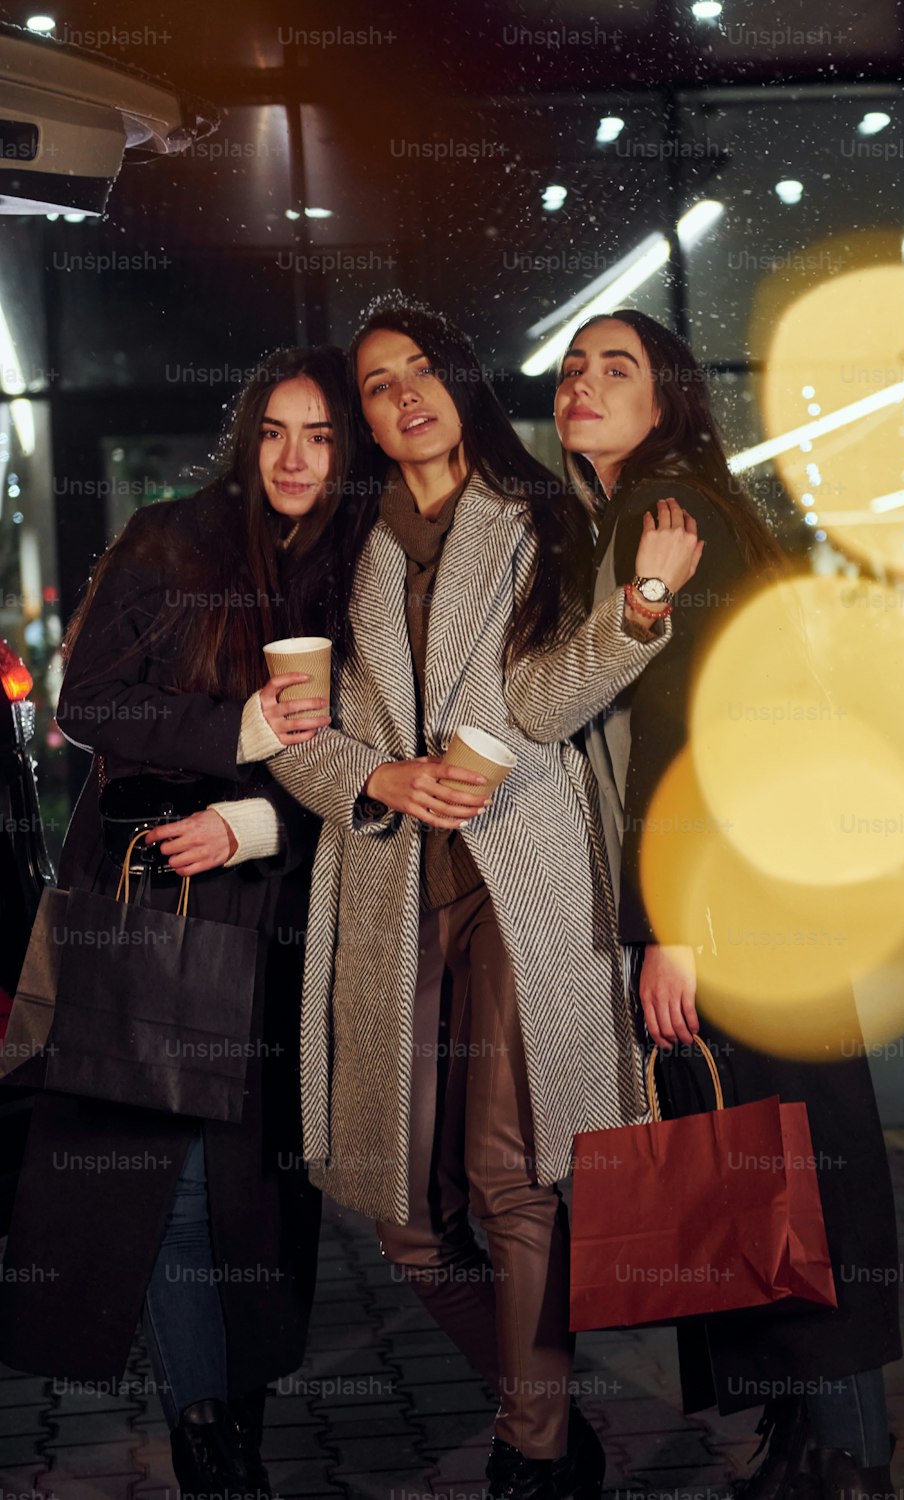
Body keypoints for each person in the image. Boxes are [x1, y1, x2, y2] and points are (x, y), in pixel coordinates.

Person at [243, 294, 703, 1500]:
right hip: (389, 893)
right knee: (400, 1212)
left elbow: (549, 703)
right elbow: (295, 740)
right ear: (369, 419)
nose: (403, 395)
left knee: (511, 1179)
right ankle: (539, 1410)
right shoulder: (335, 550)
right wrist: (380, 773)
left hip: (521, 878)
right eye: (379, 384)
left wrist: (639, 611)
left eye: (420, 370)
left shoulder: (538, 518)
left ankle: (536, 1453)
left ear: (457, 384)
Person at [555, 308, 902, 1500]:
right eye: (571, 369)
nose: (583, 385)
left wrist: (670, 928)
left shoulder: (671, 513)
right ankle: (814, 1442)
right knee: (780, 1158)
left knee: (790, 1158)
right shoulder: (648, 512)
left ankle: (846, 1459)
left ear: (668, 401)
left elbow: (689, 728)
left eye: (617, 369)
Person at [0, 347, 347, 1500]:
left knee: (260, 1195)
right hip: (148, 902)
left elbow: (375, 768)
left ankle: (227, 1410)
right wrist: (235, 732)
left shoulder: (361, 567)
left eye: (322, 437)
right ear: (245, 440)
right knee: (171, 1175)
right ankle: (207, 1432)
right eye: (276, 433)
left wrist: (257, 828)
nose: (296, 459)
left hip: (281, 909)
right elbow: (88, 705)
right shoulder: (169, 541)